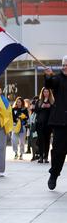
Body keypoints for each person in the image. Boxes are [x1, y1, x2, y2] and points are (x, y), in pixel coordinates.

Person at [45, 56, 67, 190]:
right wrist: (47, 76)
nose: (65, 67)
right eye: (64, 65)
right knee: (58, 152)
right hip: (60, 123)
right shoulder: (58, 78)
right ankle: (54, 175)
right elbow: (50, 84)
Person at [35, 87, 54, 164]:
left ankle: (46, 156)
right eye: (44, 92)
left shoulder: (52, 101)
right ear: (42, 93)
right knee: (40, 140)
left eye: (47, 92)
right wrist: (41, 107)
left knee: (47, 140)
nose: (45, 93)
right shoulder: (39, 101)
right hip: (40, 123)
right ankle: (41, 156)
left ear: (49, 93)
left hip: (48, 124)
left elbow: (55, 111)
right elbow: (35, 110)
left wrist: (50, 107)